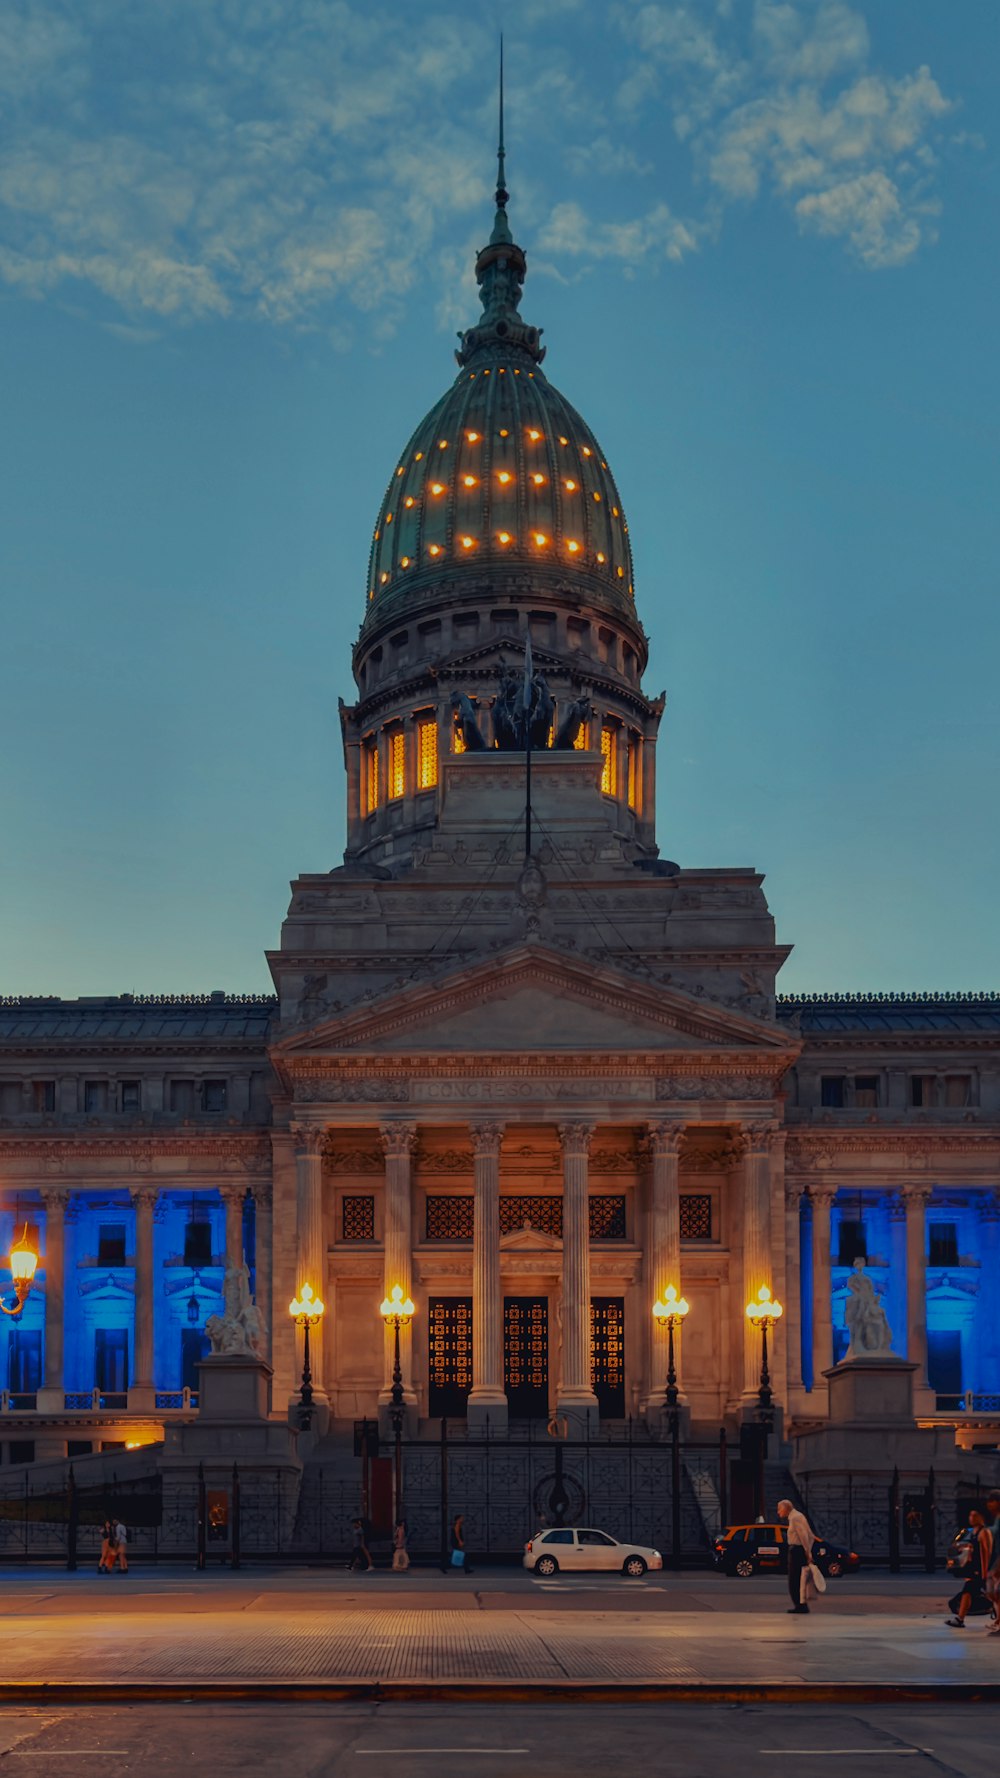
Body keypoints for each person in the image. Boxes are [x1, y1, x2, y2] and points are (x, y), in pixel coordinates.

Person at [945, 1508, 992, 1628]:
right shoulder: (974, 1532)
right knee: (968, 1592)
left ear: (981, 1517)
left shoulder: (984, 1532)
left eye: (974, 1515)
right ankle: (960, 1619)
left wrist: (985, 1572)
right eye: (970, 1515)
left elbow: (986, 1553)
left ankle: (960, 1619)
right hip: (975, 1570)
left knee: (991, 1595)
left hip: (981, 1570)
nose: (971, 1518)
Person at [778, 1497, 817, 1614]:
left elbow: (804, 1535)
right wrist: (808, 1550)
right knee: (799, 1580)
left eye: (779, 1509)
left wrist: (807, 1552)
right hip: (799, 1550)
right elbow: (811, 1536)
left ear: (786, 1509)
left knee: (794, 1580)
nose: (778, 1512)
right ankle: (801, 1605)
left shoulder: (795, 1518)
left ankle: (800, 1606)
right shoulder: (797, 1516)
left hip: (796, 1551)